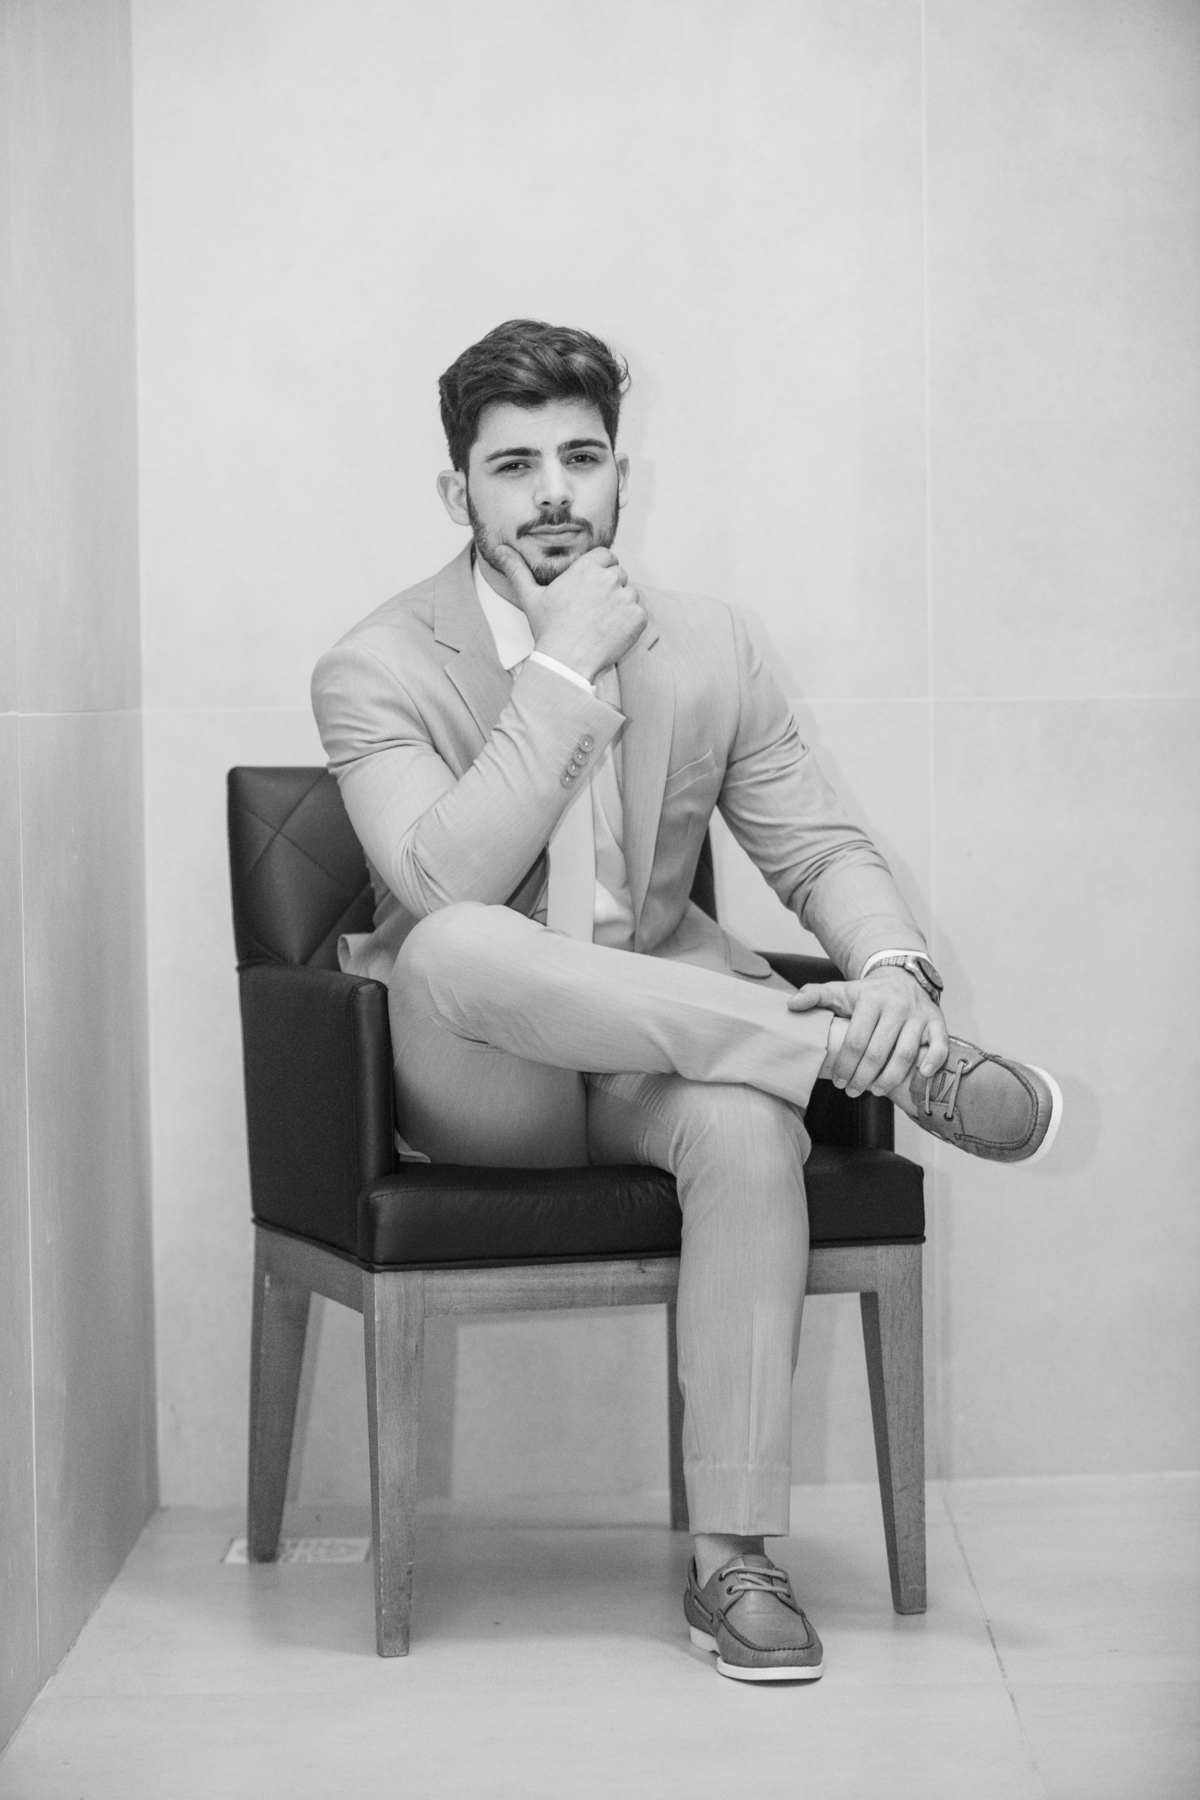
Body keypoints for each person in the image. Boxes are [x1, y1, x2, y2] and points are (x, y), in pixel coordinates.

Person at [312, 319, 1061, 1683]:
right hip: (479, 1071)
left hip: (654, 1051)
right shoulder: (373, 666)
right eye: (514, 466)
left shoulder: (712, 644)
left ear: (622, 474)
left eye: (582, 458)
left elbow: (819, 850)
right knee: (455, 942)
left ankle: (735, 1561)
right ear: (457, 491)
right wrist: (559, 669)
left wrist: (895, 971)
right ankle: (836, 1051)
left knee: (747, 1129)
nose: (554, 493)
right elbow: (440, 877)